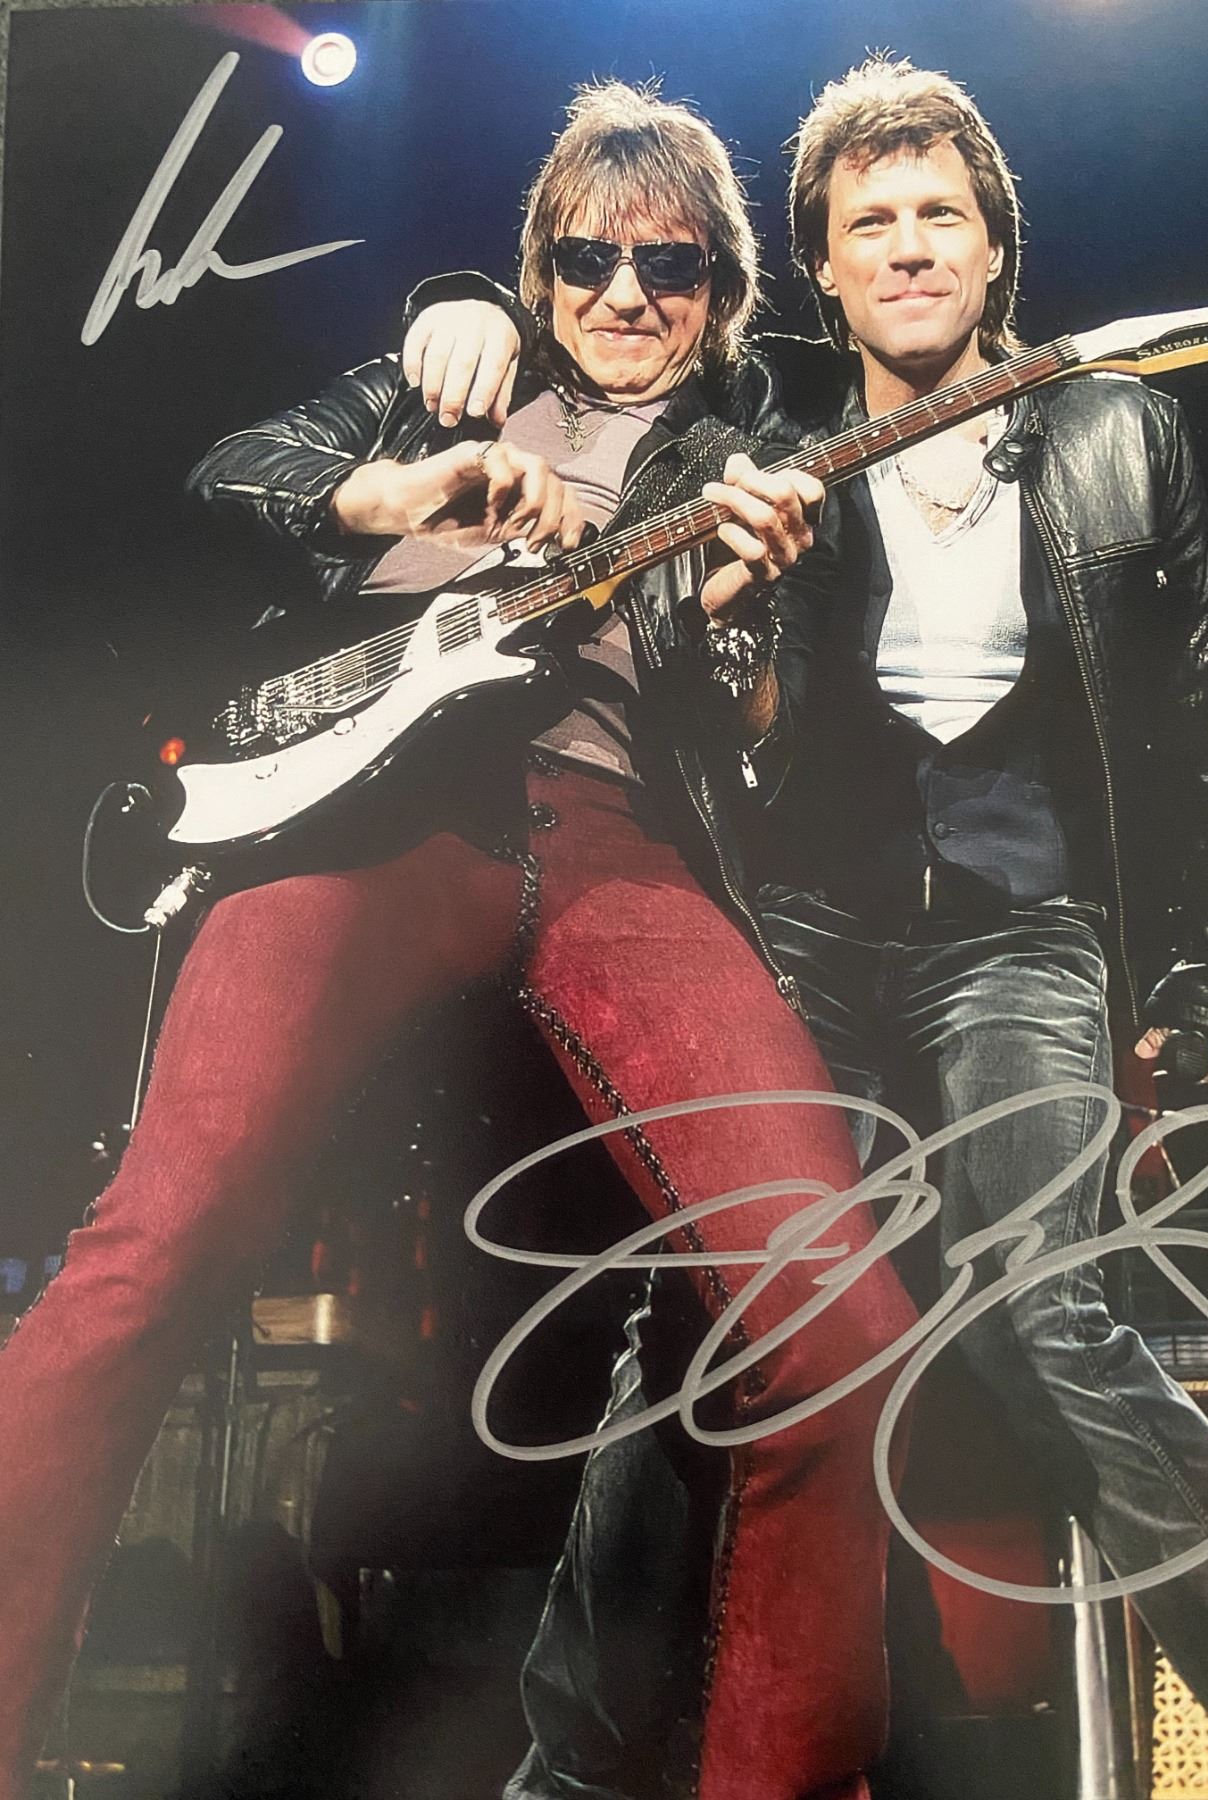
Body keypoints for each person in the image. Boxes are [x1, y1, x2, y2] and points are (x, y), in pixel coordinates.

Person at [406, 56, 1208, 1800]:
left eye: (939, 216)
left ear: (992, 250)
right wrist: (462, 299)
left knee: (1039, 1303)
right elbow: (597, 347)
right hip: (811, 927)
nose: (908, 247)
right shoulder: (756, 445)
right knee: (704, 1311)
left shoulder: (1114, 429)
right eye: (869, 223)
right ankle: (579, 1766)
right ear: (823, 271)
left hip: (1026, 927)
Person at [0, 82, 919, 1800]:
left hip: (615, 840)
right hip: (367, 819)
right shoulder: (440, 380)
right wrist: (396, 480)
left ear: (724, 294)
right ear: (537, 271)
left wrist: (743, 623)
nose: (624, 294)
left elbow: (785, 746)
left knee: (840, 1318)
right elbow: (225, 473)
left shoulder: (750, 451)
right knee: (145, 1256)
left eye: (670, 267)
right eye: (584, 261)